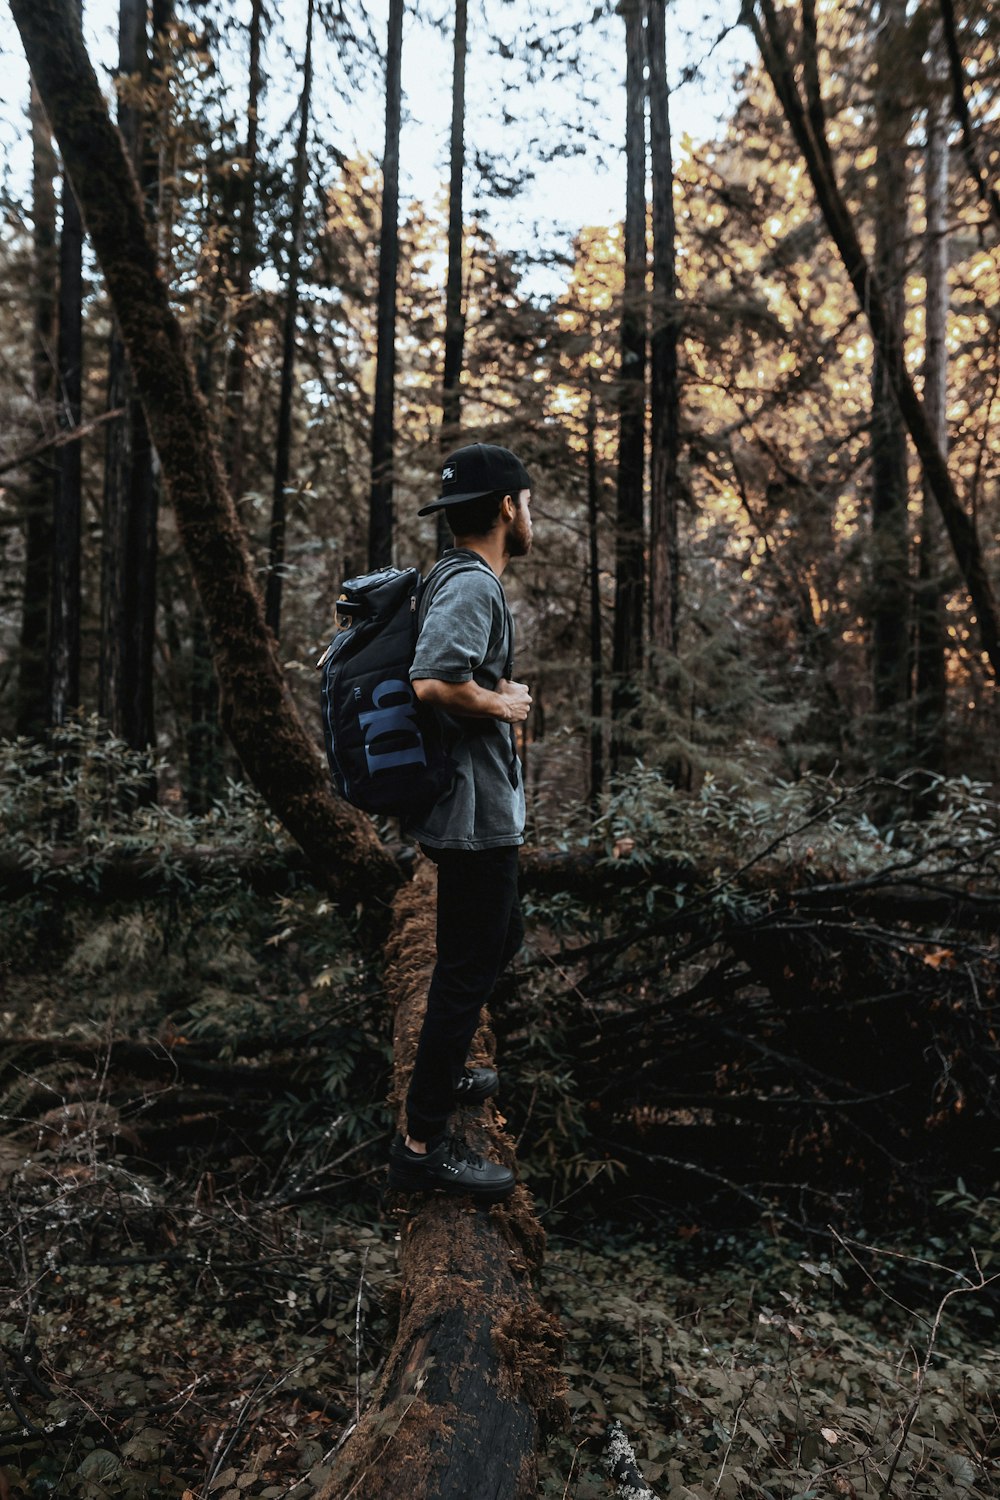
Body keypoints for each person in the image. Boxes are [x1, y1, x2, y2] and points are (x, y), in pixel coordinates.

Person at [387, 442, 533, 1204]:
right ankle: (422, 1144)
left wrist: (491, 689)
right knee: (465, 971)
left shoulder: (456, 576)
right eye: (527, 500)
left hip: (477, 810)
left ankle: (446, 1070)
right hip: (475, 817)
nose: (529, 512)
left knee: (494, 939)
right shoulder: (473, 584)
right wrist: (499, 702)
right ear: (509, 507)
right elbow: (430, 681)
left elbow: (453, 672)